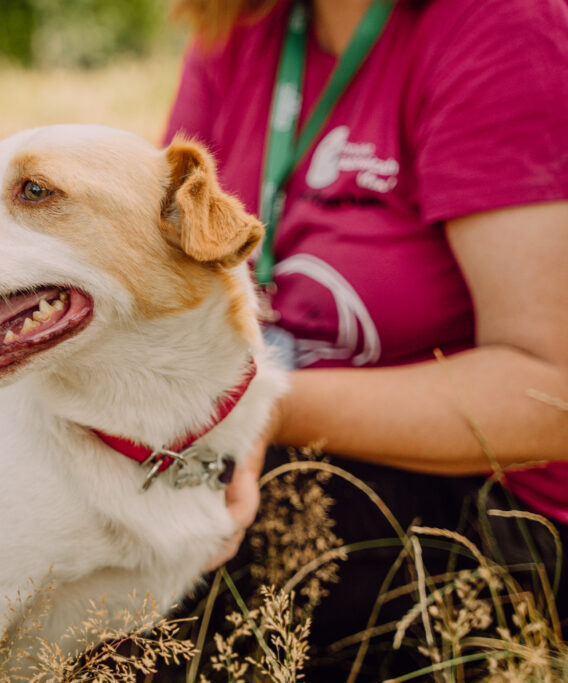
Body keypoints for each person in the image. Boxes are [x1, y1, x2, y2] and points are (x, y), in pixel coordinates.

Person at [162, 0, 568, 677]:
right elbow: (162, 289)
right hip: (263, 445)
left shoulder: (504, 27)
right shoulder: (233, 25)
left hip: (485, 513)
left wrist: (264, 403)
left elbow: (550, 391)